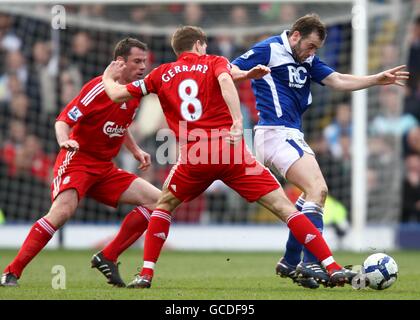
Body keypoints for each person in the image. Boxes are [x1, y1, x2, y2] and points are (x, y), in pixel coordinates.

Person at [102, 25, 356, 289]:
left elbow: (116, 94)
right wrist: (237, 119)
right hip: (230, 153)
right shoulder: (215, 62)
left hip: (194, 156)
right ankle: (332, 266)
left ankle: (146, 274)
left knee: (163, 205)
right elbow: (225, 78)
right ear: (200, 44)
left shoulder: (161, 73)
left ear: (178, 49)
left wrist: (108, 77)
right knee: (286, 208)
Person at [230, 13, 409, 288]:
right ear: (295, 36)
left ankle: (290, 261)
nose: (312, 53)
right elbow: (228, 71)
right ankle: (312, 262)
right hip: (274, 132)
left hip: (288, 133)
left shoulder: (307, 59)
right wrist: (246, 75)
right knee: (319, 190)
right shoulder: (269, 48)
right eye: (310, 46)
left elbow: (337, 80)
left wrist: (375, 79)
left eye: (317, 49)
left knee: (309, 195)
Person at [0, 38, 161, 288]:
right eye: (137, 61)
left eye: (145, 61)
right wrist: (65, 141)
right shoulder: (97, 88)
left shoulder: (135, 91)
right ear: (120, 63)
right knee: (62, 212)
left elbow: (121, 124)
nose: (143, 66)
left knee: (158, 202)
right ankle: (11, 272)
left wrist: (136, 149)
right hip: (78, 160)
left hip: (105, 167)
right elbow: (63, 120)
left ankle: (107, 256)